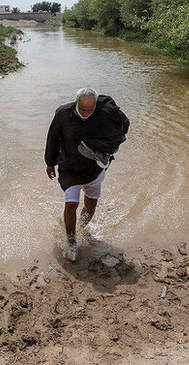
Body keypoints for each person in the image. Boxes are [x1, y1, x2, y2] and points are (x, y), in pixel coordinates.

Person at [45, 88, 129, 262]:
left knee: (90, 207)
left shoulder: (104, 113)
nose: (85, 114)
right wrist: (49, 163)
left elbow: (123, 124)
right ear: (76, 103)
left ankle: (79, 229)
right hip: (70, 167)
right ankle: (71, 242)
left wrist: (109, 145)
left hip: (94, 169)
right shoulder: (63, 114)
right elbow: (53, 137)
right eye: (82, 109)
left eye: (89, 111)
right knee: (71, 203)